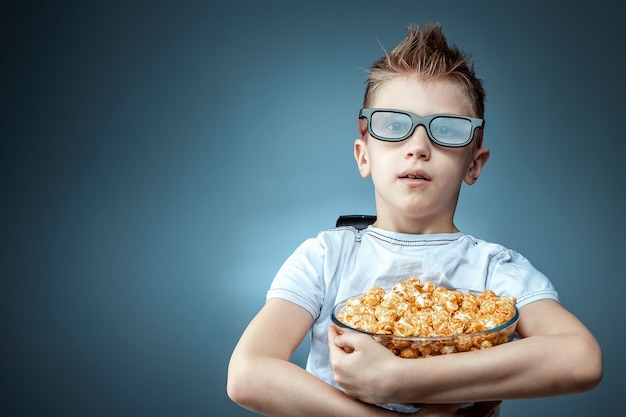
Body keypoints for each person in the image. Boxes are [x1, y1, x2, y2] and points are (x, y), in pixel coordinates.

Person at [227, 24, 603, 417]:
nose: (418, 147)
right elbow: (248, 372)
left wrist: (398, 379)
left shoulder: (494, 271)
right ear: (363, 154)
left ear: (474, 163)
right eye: (393, 125)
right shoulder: (326, 257)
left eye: (447, 131)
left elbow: (580, 358)